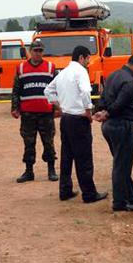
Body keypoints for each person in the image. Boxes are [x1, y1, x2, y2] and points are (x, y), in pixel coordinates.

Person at [44, 45, 107, 203]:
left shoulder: (63, 72)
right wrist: (88, 110)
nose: (88, 62)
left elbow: (48, 91)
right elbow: (86, 92)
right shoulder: (81, 72)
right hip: (78, 119)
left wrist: (59, 106)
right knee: (84, 157)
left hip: (66, 119)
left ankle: (65, 190)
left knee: (67, 157)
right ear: (81, 58)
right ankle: (89, 193)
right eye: (87, 59)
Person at [97, 53, 133, 212]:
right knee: (122, 164)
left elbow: (103, 97)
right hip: (121, 123)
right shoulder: (129, 81)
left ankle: (131, 195)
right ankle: (120, 202)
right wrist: (108, 113)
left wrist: (102, 111)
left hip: (109, 125)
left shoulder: (113, 75)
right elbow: (120, 103)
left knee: (121, 161)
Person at [11, 40, 58, 183]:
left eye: (40, 51)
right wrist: (14, 108)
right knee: (29, 143)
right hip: (27, 114)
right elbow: (16, 90)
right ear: (30, 51)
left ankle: (51, 170)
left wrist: (57, 108)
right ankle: (29, 171)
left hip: (46, 113)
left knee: (48, 142)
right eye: (35, 50)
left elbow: (57, 89)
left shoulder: (51, 68)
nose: (38, 53)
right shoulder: (21, 68)